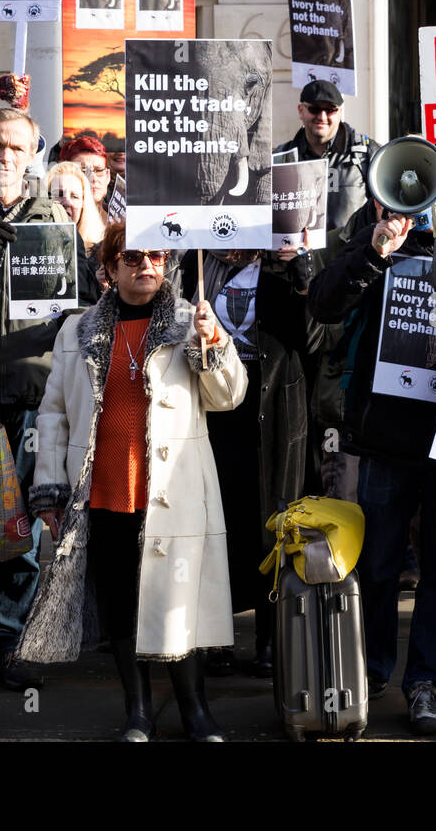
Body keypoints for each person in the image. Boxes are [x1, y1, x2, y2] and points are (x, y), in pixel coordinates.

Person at [18, 221, 247, 741]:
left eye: (159, 256)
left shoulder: (194, 320)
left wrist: (213, 346)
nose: (147, 265)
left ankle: (195, 710)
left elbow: (229, 396)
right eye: (133, 256)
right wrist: (49, 490)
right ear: (108, 270)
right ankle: (138, 711)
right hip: (103, 491)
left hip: (175, 493)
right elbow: (52, 414)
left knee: (178, 602)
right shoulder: (76, 331)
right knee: (123, 605)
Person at [308, 136, 436, 736]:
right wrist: (373, 253)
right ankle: (372, 672)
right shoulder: (376, 233)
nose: (431, 211)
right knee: (381, 564)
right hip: (387, 435)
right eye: (426, 196)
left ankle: (426, 684)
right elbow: (324, 305)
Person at [0, 107, 98, 690]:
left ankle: (10, 640)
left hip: (32, 397)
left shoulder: (54, 214)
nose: (3, 156)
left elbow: (83, 306)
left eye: (14, 146)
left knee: (23, 531)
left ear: (34, 155)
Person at [181, 243, 330, 678]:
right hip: (215, 410)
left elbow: (314, 339)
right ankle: (217, 636)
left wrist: (303, 279)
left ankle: (270, 637)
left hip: (277, 415)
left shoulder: (286, 267)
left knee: (276, 523)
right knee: (216, 525)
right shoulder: (192, 264)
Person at [274, 80, 381, 235]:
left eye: (330, 110)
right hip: (299, 256)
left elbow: (388, 210)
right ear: (300, 110)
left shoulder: (365, 153)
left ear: (340, 112)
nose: (322, 117)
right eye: (314, 109)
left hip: (352, 256)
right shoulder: (282, 157)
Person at [59, 135, 111, 249]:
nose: (92, 178)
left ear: (108, 176)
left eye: (98, 170)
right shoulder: (53, 221)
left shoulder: (122, 220)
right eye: (83, 171)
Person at [46, 160, 107, 257]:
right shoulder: (33, 245)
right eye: (59, 194)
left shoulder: (99, 253)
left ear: (84, 203)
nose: (67, 202)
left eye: (74, 196)